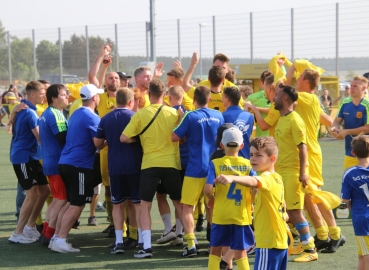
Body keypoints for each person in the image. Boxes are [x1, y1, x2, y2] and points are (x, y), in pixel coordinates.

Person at [121, 79, 183, 258]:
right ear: (164, 95)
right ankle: (188, 241)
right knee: (179, 203)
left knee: (145, 206)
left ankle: (146, 247)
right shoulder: (174, 113)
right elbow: (181, 137)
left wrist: (139, 139)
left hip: (149, 164)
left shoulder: (140, 114)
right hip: (171, 163)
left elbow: (124, 138)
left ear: (148, 94)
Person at [289, 68, 344, 253]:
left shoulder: (306, 97)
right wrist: (334, 128)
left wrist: (288, 69)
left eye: (299, 78)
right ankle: (322, 235)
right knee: (307, 198)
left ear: (305, 82)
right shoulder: (308, 102)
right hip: (308, 152)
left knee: (314, 196)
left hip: (310, 153)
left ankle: (335, 234)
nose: (296, 80)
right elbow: (327, 119)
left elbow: (284, 89)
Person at [215, 137, 288, 270]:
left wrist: (232, 177)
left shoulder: (266, 178)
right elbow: (283, 207)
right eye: (251, 154)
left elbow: (254, 181)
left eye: (259, 155)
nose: (253, 159)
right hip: (280, 242)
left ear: (272, 159)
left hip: (268, 243)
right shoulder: (277, 178)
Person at [172, 86, 224, 257]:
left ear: (194, 100)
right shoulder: (219, 115)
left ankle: (191, 245)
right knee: (212, 205)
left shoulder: (190, 115)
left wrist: (180, 118)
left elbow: (174, 137)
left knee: (187, 206)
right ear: (209, 99)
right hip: (214, 168)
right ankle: (214, 244)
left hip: (195, 168)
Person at [52, 84, 104, 253]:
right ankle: (60, 239)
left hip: (66, 162)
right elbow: (98, 144)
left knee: (70, 202)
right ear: (95, 98)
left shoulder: (76, 113)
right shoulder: (92, 117)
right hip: (79, 165)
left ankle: (56, 237)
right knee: (77, 204)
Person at [94, 88, 142, 253]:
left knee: (117, 204)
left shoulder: (106, 118)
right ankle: (139, 238)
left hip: (115, 167)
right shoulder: (135, 117)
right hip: (135, 166)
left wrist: (109, 142)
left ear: (116, 101)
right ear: (131, 102)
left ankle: (119, 241)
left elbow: (97, 143)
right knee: (136, 204)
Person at [274, 84, 318, 262]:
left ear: (285, 98)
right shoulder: (282, 118)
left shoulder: (295, 120)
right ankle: (293, 243)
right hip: (281, 173)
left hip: (293, 173)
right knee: (287, 211)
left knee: (295, 212)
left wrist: (303, 173)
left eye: (277, 94)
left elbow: (303, 147)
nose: (274, 97)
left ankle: (310, 249)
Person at [204, 127, 255, 270]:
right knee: (240, 251)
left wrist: (211, 198)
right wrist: (251, 202)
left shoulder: (215, 164)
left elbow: (208, 189)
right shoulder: (248, 164)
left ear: (221, 145)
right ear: (242, 145)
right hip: (241, 214)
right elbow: (256, 186)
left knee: (215, 249)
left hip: (221, 215)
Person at [8, 81, 50, 244]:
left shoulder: (24, 108)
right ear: (32, 94)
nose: (44, 96)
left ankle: (30, 227)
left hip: (31, 157)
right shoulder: (29, 112)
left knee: (44, 190)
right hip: (23, 157)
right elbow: (39, 136)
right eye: (41, 93)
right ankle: (18, 232)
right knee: (31, 194)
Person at [89, 44, 121, 237]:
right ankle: (112, 222)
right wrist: (103, 61)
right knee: (108, 190)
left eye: (116, 78)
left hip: (123, 150)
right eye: (110, 77)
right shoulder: (100, 99)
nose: (113, 79)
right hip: (105, 152)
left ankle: (125, 226)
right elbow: (92, 77)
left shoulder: (127, 98)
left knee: (123, 191)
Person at [156, 85, 188, 246]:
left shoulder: (165, 113)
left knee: (161, 195)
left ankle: (169, 229)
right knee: (180, 199)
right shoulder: (189, 114)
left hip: (168, 161)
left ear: (169, 97)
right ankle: (180, 233)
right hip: (186, 163)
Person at [38, 84, 69, 245]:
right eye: (64, 95)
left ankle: (46, 232)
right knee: (62, 199)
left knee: (57, 198)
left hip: (50, 161)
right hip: (57, 163)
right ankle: (50, 234)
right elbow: (63, 137)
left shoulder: (46, 113)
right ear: (54, 98)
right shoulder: (55, 114)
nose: (67, 97)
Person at [341, 134, 369, 270]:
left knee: (367, 254)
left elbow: (345, 200)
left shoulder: (350, 173)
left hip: (363, 219)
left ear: (353, 153)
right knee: (362, 253)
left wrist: (349, 206)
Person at [331, 76, 369, 170]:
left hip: (367, 155)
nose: (351, 88)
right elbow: (336, 121)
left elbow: (367, 128)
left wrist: (347, 131)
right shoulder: (345, 103)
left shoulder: (367, 104)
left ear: (364, 88)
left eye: (355, 86)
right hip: (350, 153)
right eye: (351, 85)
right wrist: (334, 129)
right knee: (348, 182)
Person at [222, 86, 254, 159]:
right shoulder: (250, 116)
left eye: (223, 97)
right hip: (246, 159)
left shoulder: (223, 116)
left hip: (229, 160)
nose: (221, 99)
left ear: (227, 100)